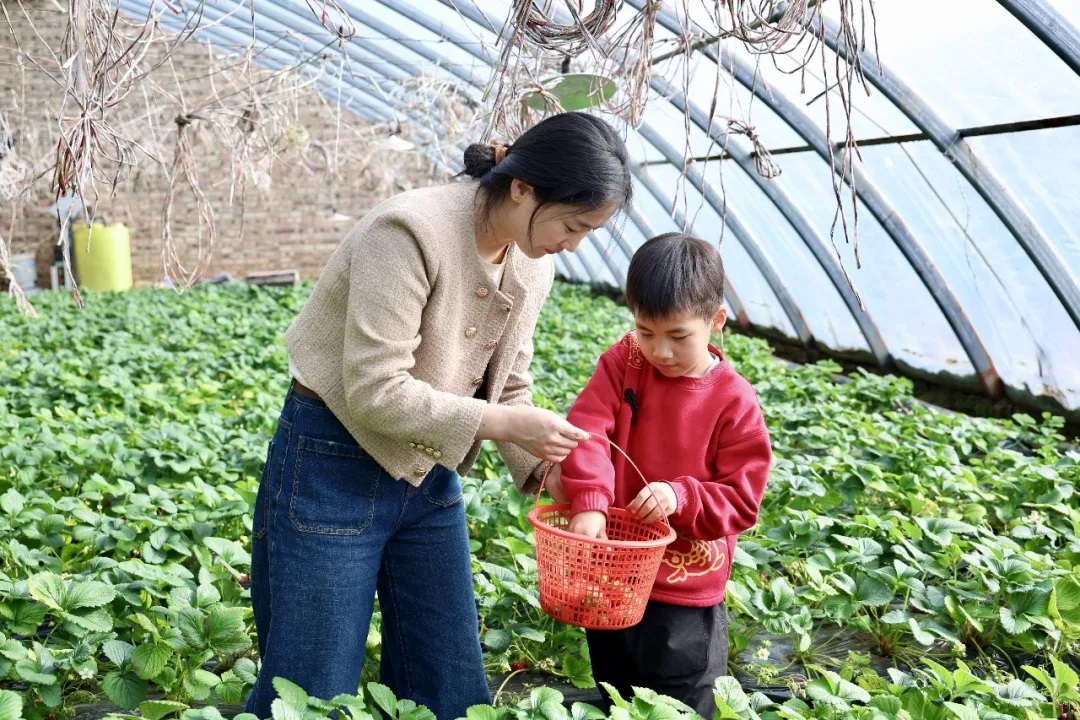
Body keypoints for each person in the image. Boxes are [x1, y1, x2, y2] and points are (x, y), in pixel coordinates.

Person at [244, 112, 634, 720]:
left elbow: (510, 386)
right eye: (572, 224)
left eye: (589, 233)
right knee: (313, 685)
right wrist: (504, 425)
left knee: (447, 680)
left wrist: (558, 478)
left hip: (427, 468)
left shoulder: (533, 262)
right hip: (332, 459)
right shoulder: (408, 231)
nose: (573, 244)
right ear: (522, 188)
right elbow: (375, 389)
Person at [548, 232, 772, 717]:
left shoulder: (734, 400)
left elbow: (742, 499)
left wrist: (681, 496)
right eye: (645, 331)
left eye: (678, 336)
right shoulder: (623, 362)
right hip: (614, 569)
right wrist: (590, 501)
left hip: (685, 588)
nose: (660, 351)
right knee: (615, 687)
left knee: (682, 697)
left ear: (716, 321)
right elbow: (588, 430)